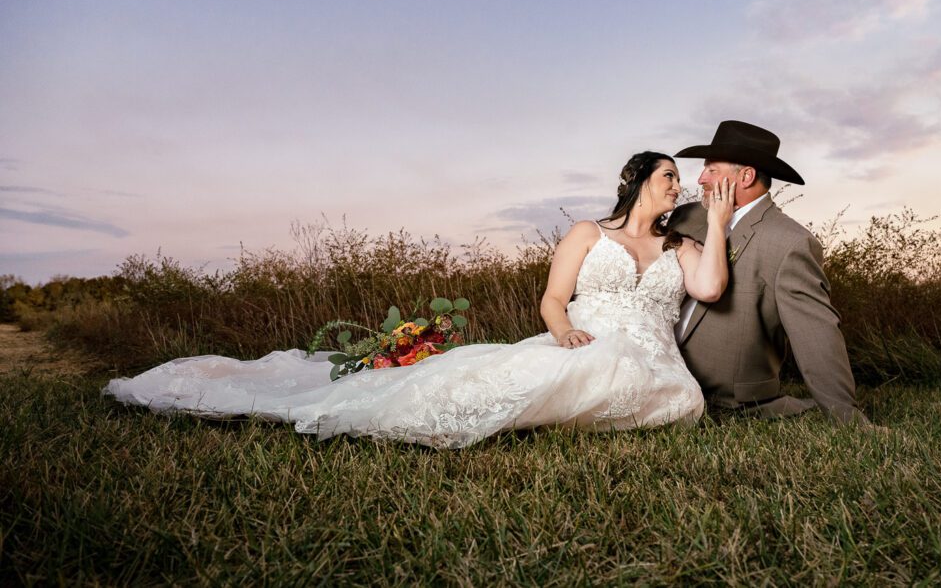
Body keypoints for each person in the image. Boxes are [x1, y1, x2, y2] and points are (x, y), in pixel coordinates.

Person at [104, 152, 735, 448]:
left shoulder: (681, 245)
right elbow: (552, 298)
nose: (678, 185)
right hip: (585, 339)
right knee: (493, 385)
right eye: (668, 177)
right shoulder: (586, 234)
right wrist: (563, 330)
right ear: (637, 185)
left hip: (654, 360)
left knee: (680, 403)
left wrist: (720, 222)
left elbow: (708, 287)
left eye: (680, 179)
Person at [668, 120, 868, 424]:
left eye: (712, 170)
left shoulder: (789, 242)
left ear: (746, 176)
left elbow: (816, 334)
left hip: (730, 401)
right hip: (659, 377)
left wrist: (846, 417)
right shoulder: (686, 217)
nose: (700, 178)